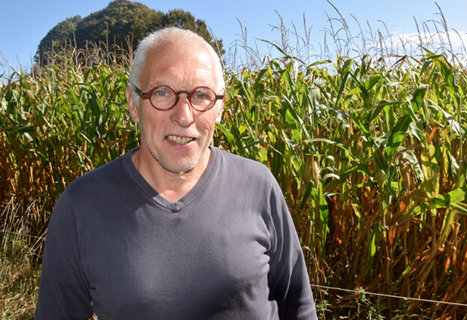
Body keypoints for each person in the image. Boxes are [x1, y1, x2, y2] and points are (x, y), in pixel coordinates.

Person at [34, 27, 317, 319]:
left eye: (201, 96)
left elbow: (298, 307)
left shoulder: (258, 186)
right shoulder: (81, 206)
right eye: (162, 92)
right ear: (134, 104)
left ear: (219, 108)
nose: (183, 116)